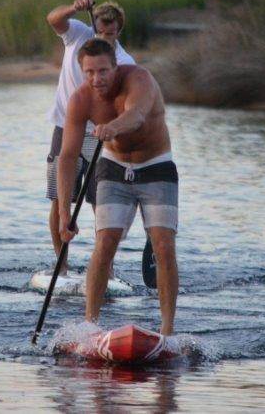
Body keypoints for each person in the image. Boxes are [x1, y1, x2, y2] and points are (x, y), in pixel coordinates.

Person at [57, 38, 179, 335]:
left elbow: (136, 115)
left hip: (156, 166)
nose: (96, 79)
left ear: (115, 66)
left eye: (103, 71)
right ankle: (90, 326)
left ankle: (167, 331)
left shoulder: (140, 79)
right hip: (112, 168)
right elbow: (68, 157)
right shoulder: (81, 99)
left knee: (163, 245)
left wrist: (112, 127)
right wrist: (64, 212)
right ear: (82, 71)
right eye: (89, 72)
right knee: (105, 242)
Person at [45, 0, 134, 274]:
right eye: (100, 32)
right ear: (93, 27)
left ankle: (103, 268)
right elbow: (53, 19)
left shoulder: (124, 61)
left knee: (102, 203)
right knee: (61, 199)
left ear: (119, 31)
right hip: (64, 127)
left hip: (99, 135)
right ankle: (62, 267)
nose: (104, 38)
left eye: (110, 33)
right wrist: (72, 7)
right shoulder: (78, 35)